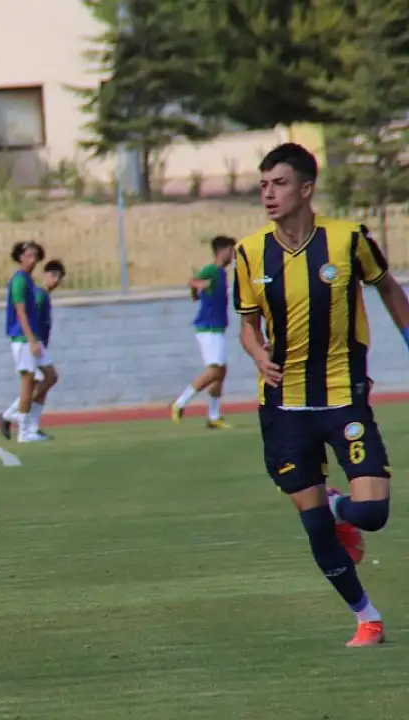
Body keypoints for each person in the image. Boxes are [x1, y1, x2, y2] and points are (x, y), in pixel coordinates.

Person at [234, 142, 409, 648]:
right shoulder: (249, 252)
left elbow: (387, 286)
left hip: (342, 398)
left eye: (279, 183)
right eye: (263, 185)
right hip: (284, 406)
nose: (269, 194)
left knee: (371, 514)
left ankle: (337, 507)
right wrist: (257, 353)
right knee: (313, 526)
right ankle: (367, 618)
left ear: (307, 188)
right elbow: (247, 325)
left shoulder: (348, 239)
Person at [171, 236, 236, 429]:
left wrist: (196, 293)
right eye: (231, 250)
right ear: (222, 251)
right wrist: (198, 286)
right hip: (208, 328)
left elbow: (196, 290)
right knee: (214, 370)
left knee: (221, 372)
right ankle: (179, 403)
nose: (233, 254)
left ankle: (214, 416)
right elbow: (192, 281)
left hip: (216, 328)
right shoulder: (212, 270)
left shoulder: (221, 273)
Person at [0, 259, 64, 440]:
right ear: (44, 275)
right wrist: (33, 341)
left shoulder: (44, 296)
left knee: (45, 383)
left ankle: (32, 426)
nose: (55, 280)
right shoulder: (38, 294)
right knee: (40, 382)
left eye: (59, 277)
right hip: (31, 343)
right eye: (53, 275)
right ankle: (14, 418)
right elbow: (27, 317)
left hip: (38, 344)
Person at [0, 240, 49, 443]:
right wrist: (31, 340)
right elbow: (20, 312)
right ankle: (25, 431)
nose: (32, 259)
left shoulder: (28, 280)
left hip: (32, 338)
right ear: (20, 257)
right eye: (28, 255)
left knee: (50, 376)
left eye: (35, 256)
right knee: (28, 382)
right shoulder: (19, 280)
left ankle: (11, 415)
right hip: (23, 338)